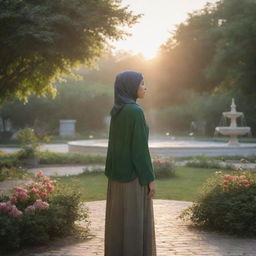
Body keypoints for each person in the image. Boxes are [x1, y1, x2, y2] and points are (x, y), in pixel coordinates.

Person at [104, 70, 157, 256]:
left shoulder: (117, 111)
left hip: (116, 178)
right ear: (130, 86)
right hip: (133, 179)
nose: (145, 87)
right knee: (134, 225)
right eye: (142, 83)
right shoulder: (135, 111)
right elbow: (140, 150)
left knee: (118, 224)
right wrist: (150, 178)